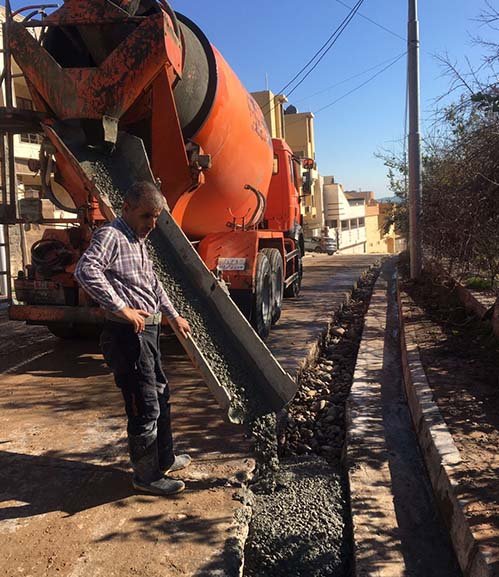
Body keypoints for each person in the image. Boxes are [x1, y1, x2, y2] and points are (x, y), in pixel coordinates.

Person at [75, 181, 191, 496]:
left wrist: (172, 315)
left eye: (156, 217)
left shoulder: (138, 240)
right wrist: (121, 308)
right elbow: (85, 270)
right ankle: (146, 476)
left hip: (148, 332)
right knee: (144, 404)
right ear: (126, 208)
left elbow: (152, 283)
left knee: (161, 395)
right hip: (128, 335)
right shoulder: (111, 236)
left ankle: (164, 459)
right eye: (146, 216)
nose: (152, 224)